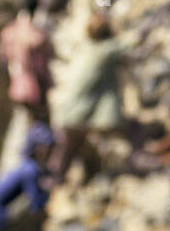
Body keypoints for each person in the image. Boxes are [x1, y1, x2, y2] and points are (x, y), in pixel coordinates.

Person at [50, 12, 126, 183]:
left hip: (66, 108)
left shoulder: (85, 47)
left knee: (68, 149)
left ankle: (59, 180)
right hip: (80, 113)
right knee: (71, 148)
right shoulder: (107, 50)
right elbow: (129, 47)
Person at [0, 122, 55, 231]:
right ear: (36, 148)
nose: (48, 150)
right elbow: (36, 204)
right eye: (44, 147)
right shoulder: (30, 170)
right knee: (40, 198)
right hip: (0, 225)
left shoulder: (24, 165)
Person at [0, 0, 55, 123]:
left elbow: (4, 62)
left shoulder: (8, 32)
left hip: (16, 83)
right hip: (34, 87)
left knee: (21, 122)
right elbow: (43, 67)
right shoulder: (37, 35)